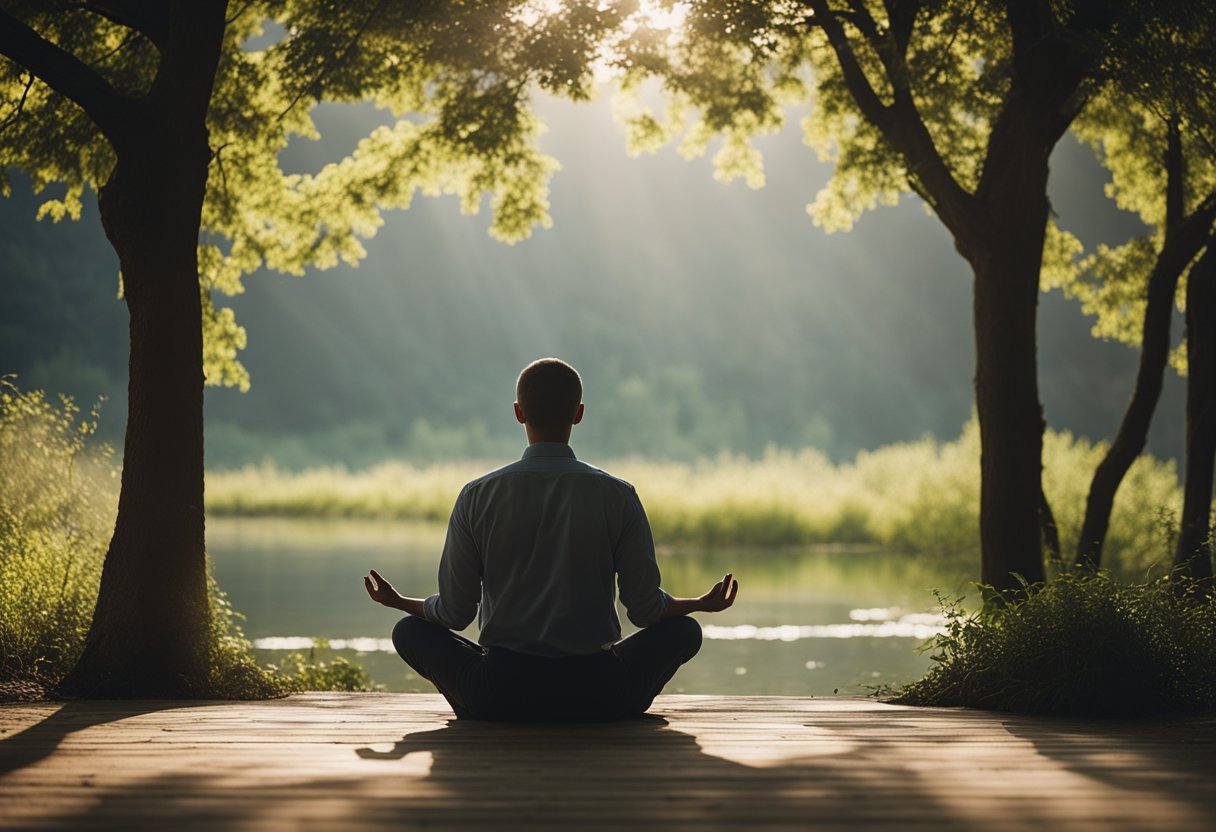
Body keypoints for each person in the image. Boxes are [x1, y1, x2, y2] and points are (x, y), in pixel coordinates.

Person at [364, 357, 738, 721]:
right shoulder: (618, 495)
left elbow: (454, 615)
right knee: (684, 631)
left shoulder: (476, 496)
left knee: (409, 631)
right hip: (599, 691)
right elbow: (645, 611)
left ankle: (477, 708)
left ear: (518, 412)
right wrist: (699, 603)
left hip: (500, 692)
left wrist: (400, 602)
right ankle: (614, 709)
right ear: (578, 413)